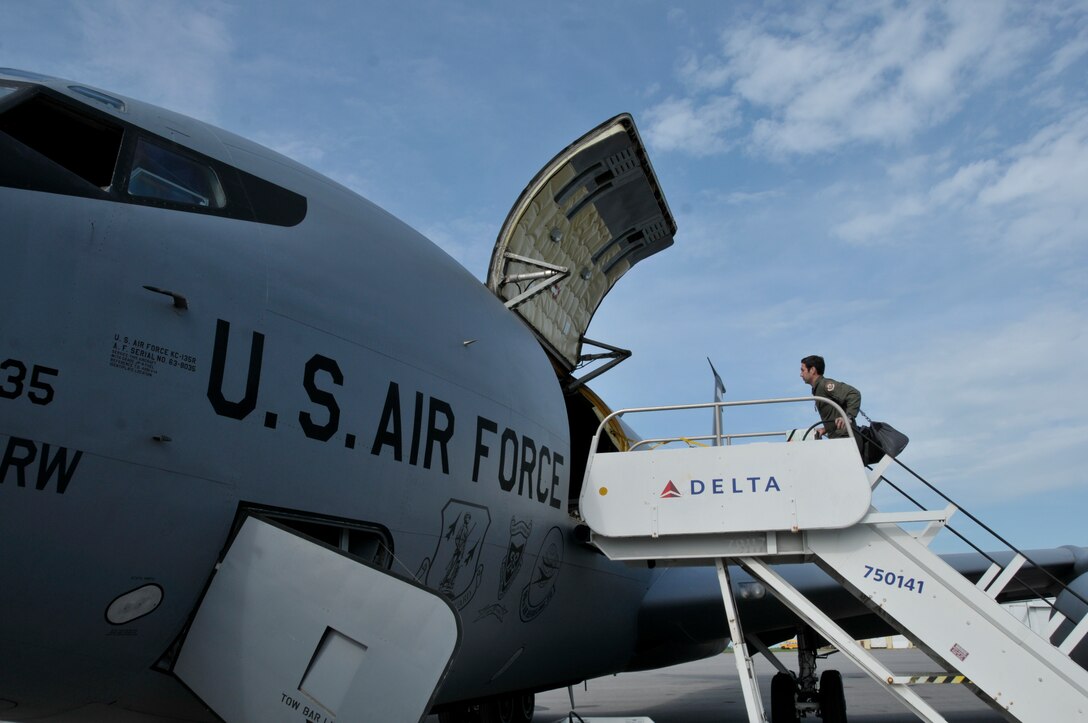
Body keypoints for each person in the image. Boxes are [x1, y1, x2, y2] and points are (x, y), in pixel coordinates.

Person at [800, 355, 860, 439]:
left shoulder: (825, 385)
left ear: (812, 370)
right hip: (839, 437)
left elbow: (854, 394)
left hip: (846, 437)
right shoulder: (817, 389)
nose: (801, 374)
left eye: (803, 370)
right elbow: (834, 415)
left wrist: (848, 417)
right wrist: (826, 429)